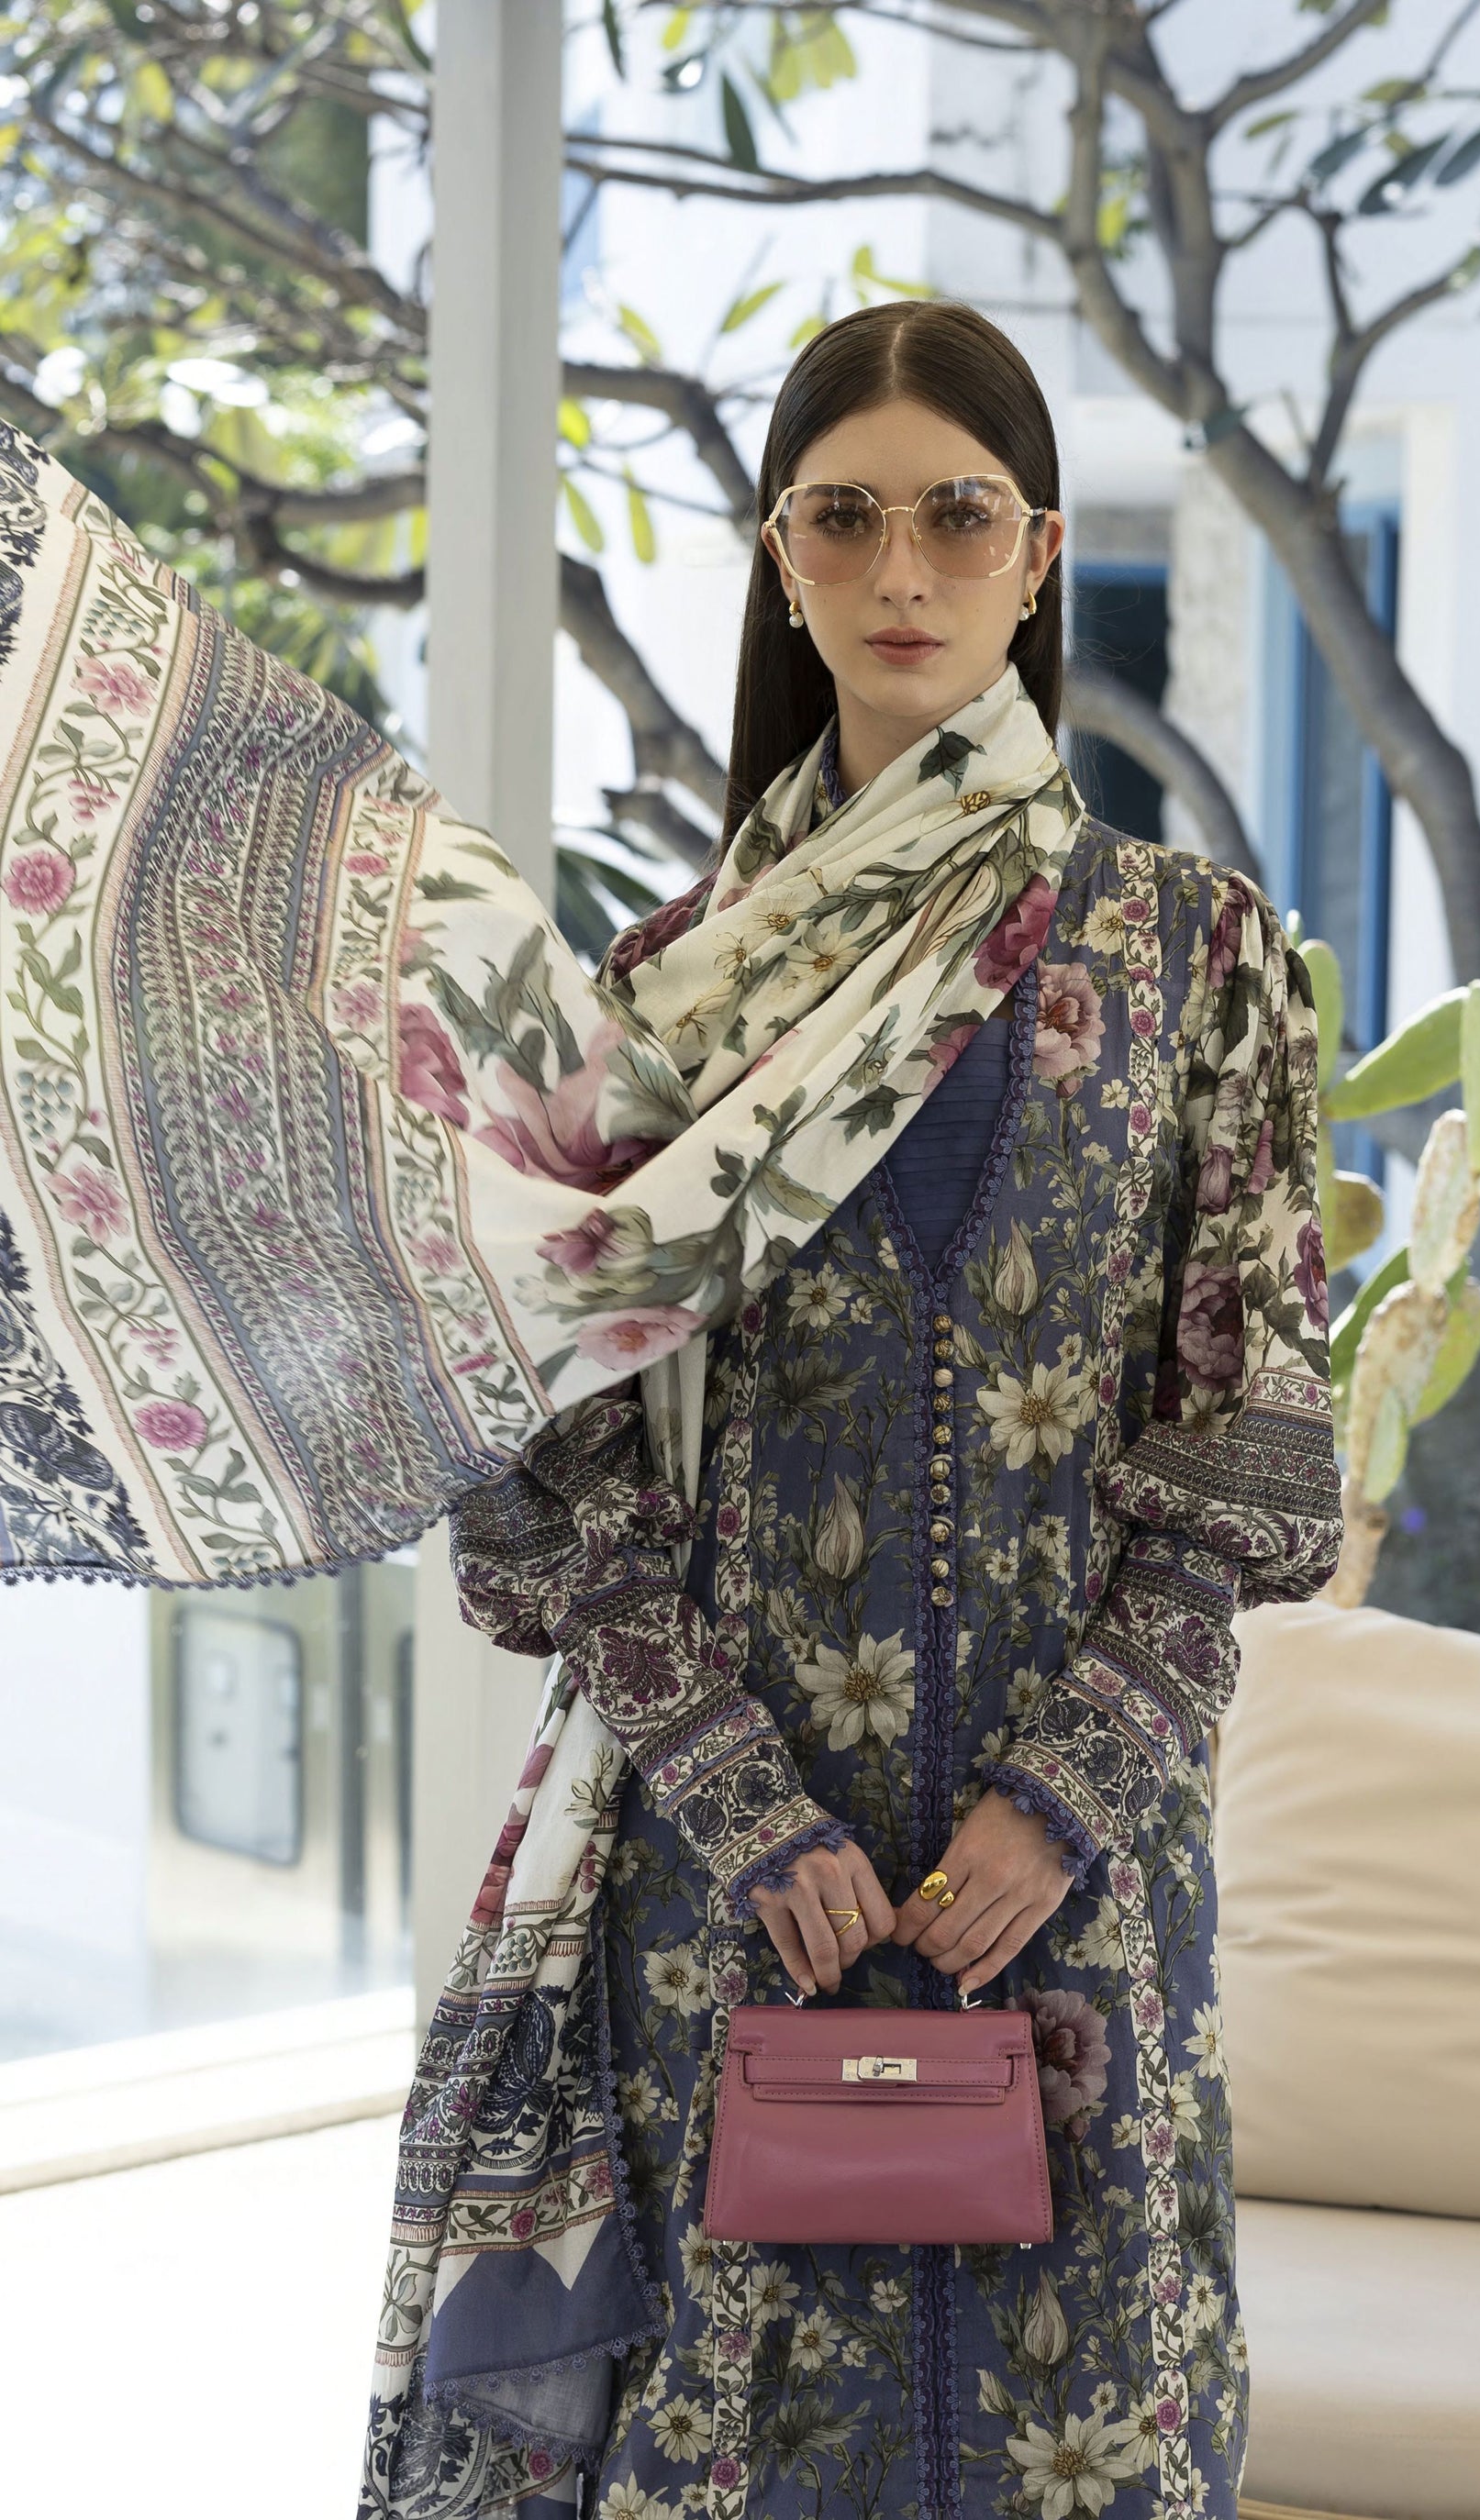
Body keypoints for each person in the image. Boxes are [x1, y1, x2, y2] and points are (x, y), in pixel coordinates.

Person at [0, 295, 1339, 2520]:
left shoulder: (1199, 961)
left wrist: (1063, 1804)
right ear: (780, 560)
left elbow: (1257, 1439)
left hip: (1076, 1895)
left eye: (956, 517)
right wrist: (745, 1806)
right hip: (735, 1891)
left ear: (1036, 554)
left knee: (1090, 2442)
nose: (899, 571)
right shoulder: (658, 1000)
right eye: (842, 519)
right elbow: (545, 1466)